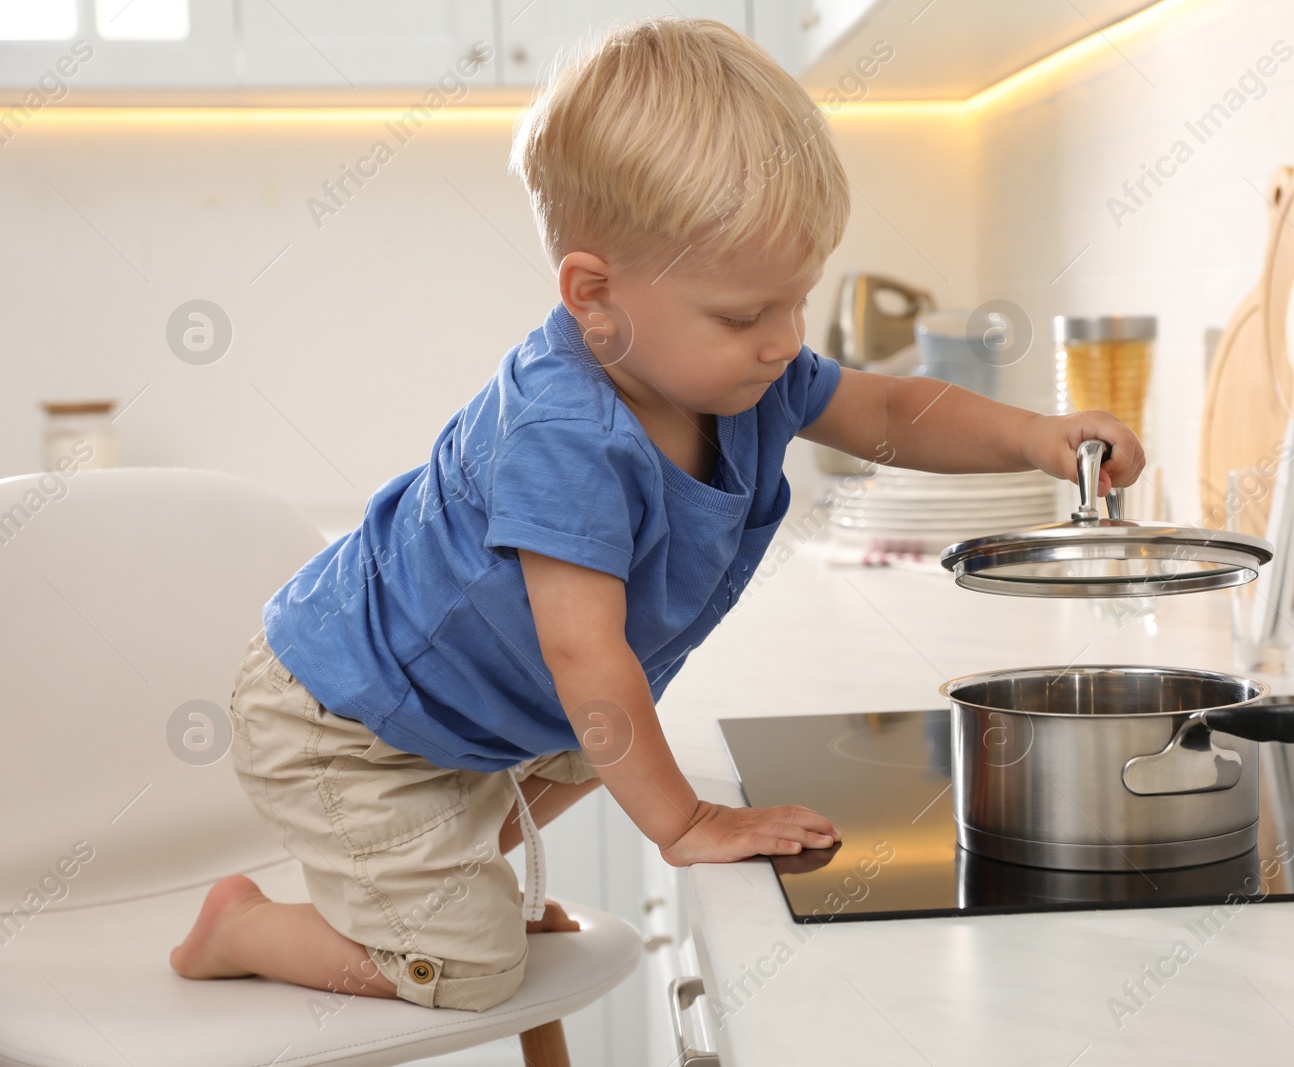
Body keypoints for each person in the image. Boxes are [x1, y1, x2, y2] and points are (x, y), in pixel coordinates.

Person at [170, 16, 1143, 1012]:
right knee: (469, 967)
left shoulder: (741, 378)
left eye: (796, 301)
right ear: (594, 295)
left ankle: (435, 886)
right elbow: (587, 658)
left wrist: (1036, 434)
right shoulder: (563, 434)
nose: (783, 342)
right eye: (744, 314)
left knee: (592, 741)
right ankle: (245, 925)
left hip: (459, 704)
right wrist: (682, 822)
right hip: (343, 719)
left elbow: (888, 409)